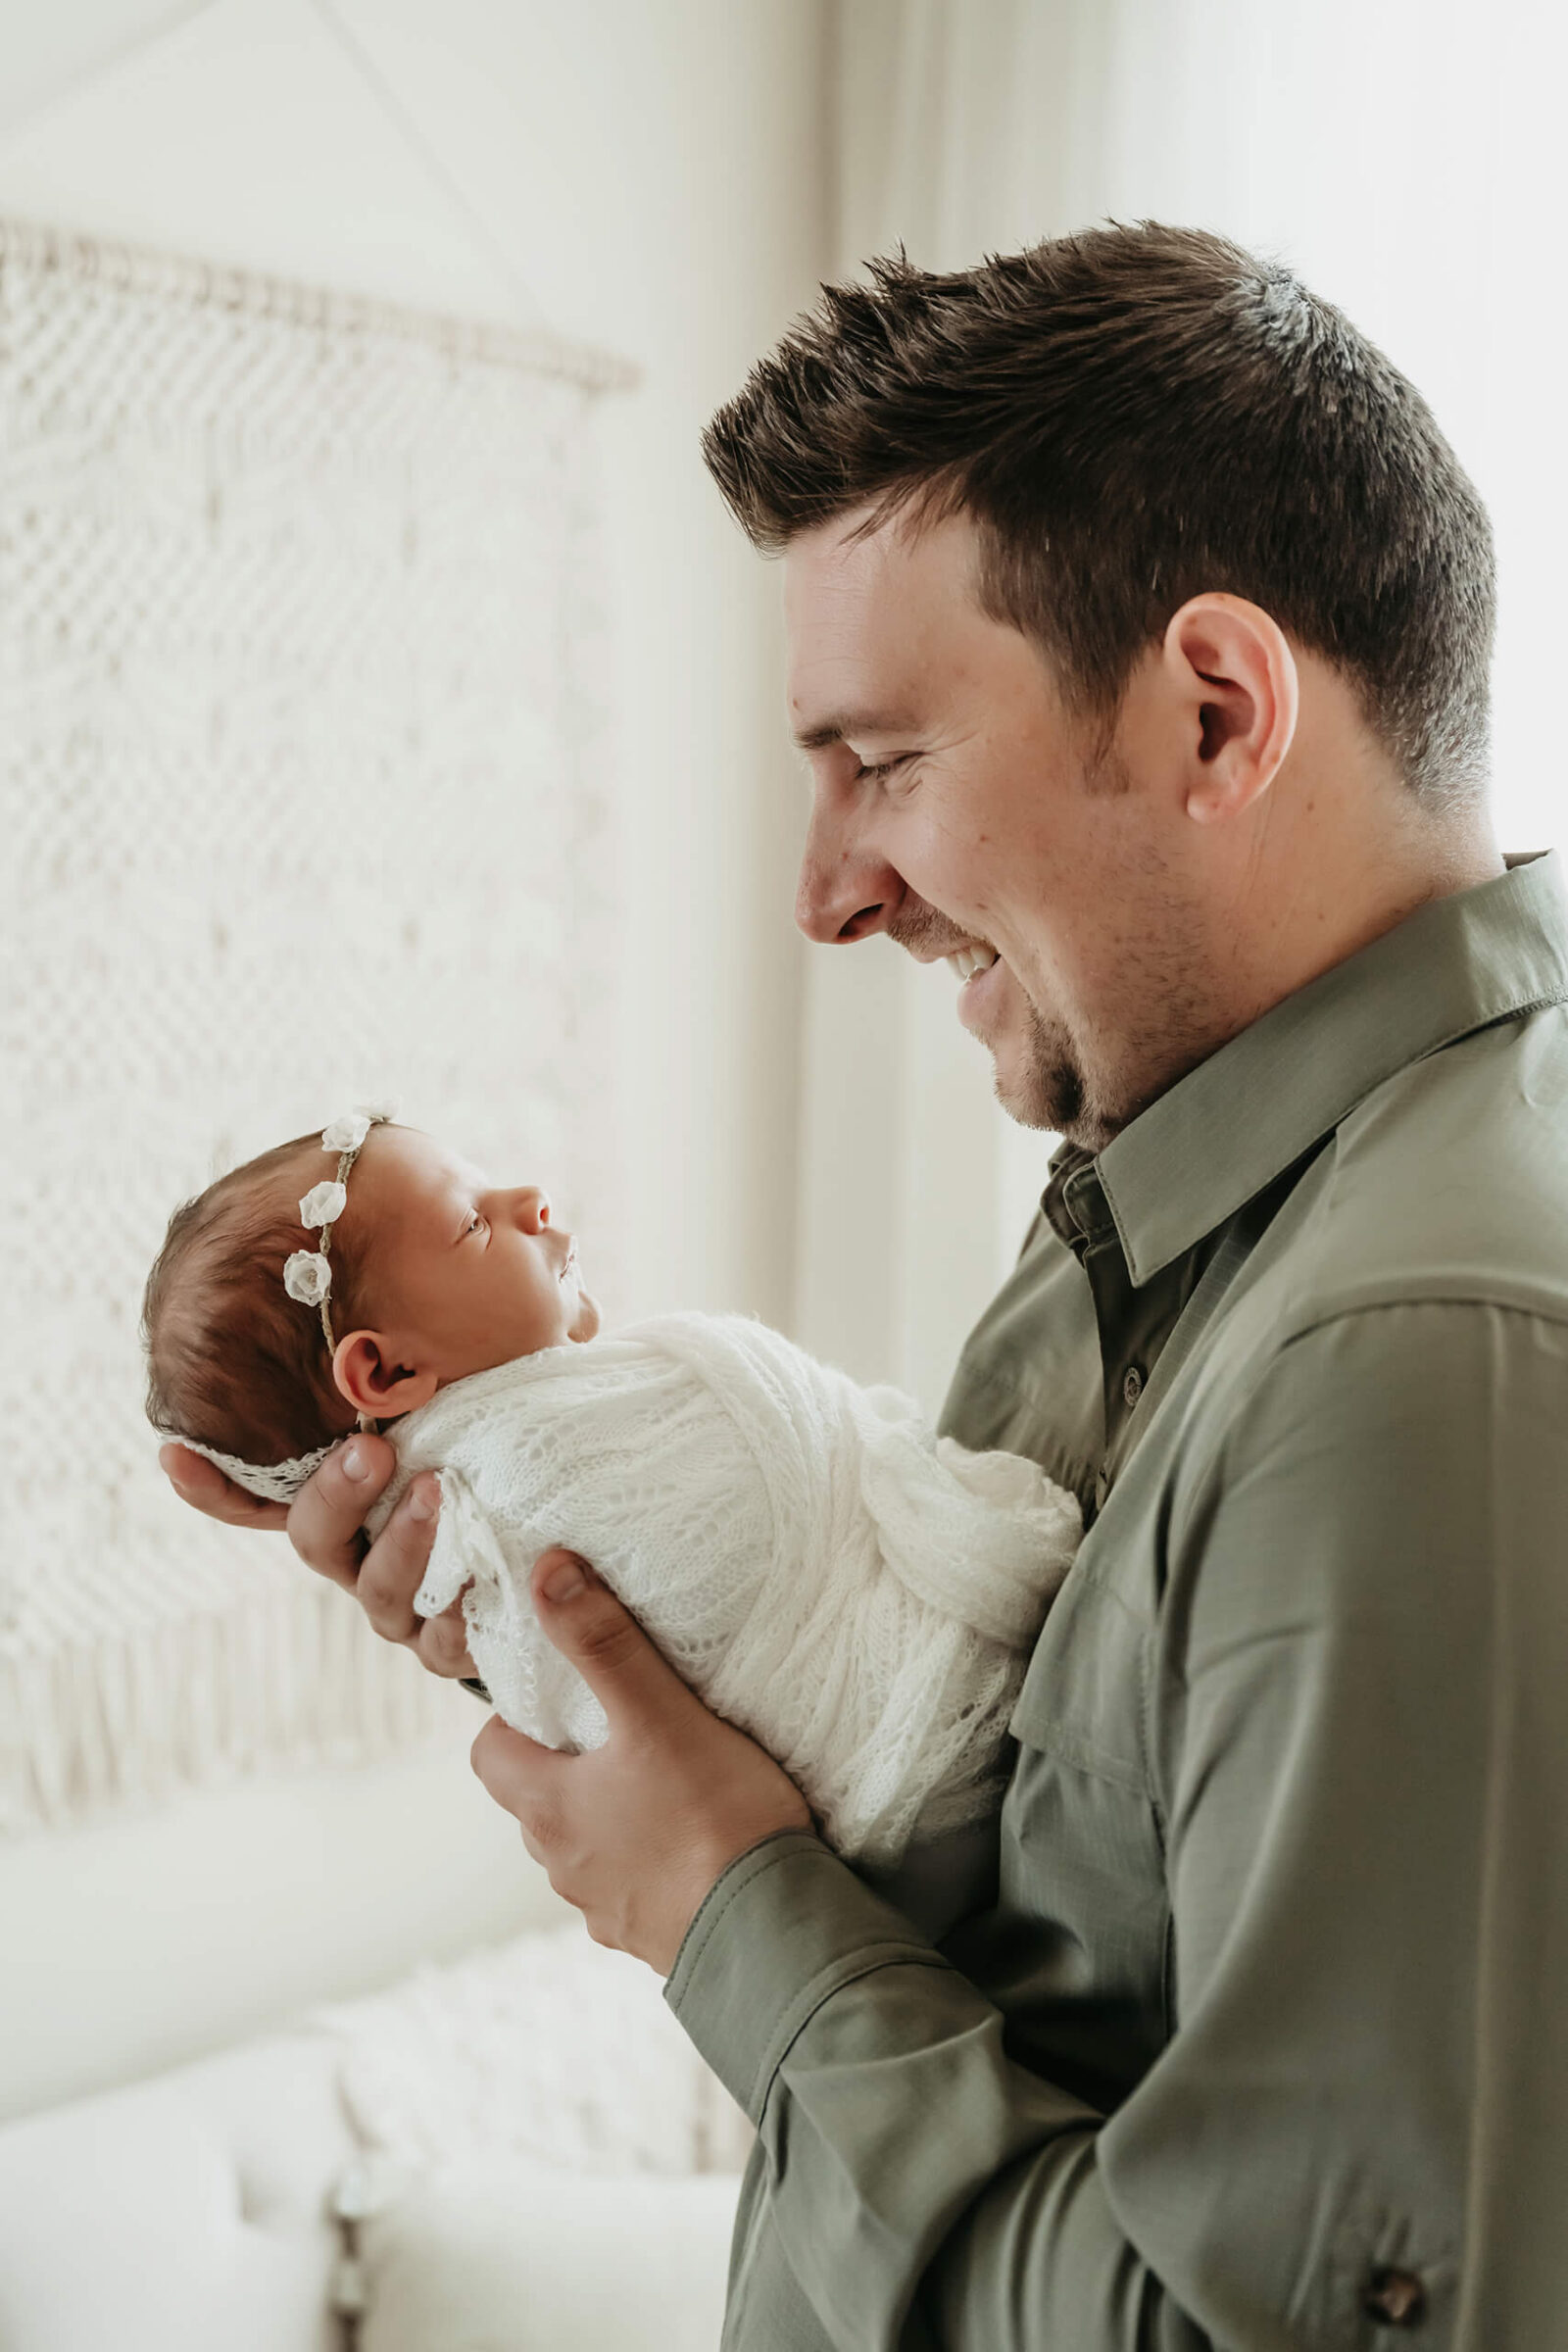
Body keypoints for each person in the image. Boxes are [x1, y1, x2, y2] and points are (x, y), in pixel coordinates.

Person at [165, 223, 1568, 2345]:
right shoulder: (1169, 1206)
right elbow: (1022, 1933)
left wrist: (723, 1909)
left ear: (1212, 708)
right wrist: (598, 1633)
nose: (824, 895)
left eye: (879, 762)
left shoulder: (1409, 1366)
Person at [143, 1111, 1079, 1883]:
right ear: (384, 1370)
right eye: (472, 1220)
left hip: (924, 1828)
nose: (527, 1198)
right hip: (915, 1758)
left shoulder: (525, 1465)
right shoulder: (512, 1489)